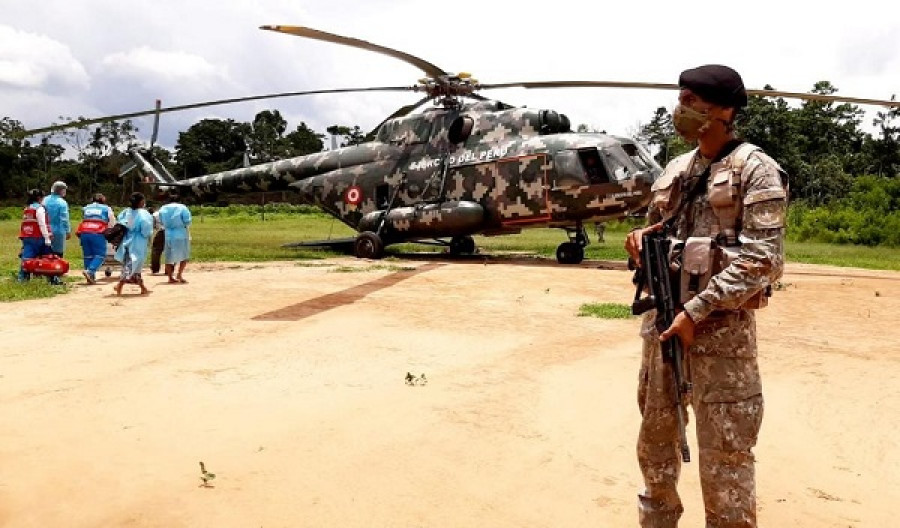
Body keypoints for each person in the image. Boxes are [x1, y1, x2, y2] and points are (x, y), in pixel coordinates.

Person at [624, 64, 787, 528]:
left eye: (692, 100)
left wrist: (697, 311)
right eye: (682, 98)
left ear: (724, 111)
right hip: (663, 332)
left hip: (720, 340)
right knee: (655, 450)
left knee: (726, 460)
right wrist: (641, 238)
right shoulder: (676, 170)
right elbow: (661, 231)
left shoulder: (756, 170)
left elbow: (763, 260)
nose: (682, 108)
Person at [114, 192, 153, 295]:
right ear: (141, 202)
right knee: (132, 264)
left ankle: (142, 287)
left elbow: (121, 221)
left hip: (127, 239)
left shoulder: (126, 212)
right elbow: (146, 229)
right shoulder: (143, 214)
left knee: (134, 264)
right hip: (138, 241)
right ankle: (120, 285)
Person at [76, 193, 116, 284]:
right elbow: (112, 222)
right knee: (100, 255)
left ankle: (91, 277)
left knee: (88, 255)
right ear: (103, 200)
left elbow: (84, 218)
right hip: (98, 232)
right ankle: (90, 271)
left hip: (84, 232)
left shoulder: (86, 208)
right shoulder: (107, 208)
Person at [17, 189, 53, 282]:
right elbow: (42, 224)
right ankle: (52, 279)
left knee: (26, 258)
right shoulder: (40, 208)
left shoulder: (27, 208)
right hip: (38, 237)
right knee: (48, 258)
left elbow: (24, 224)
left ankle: (22, 279)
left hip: (27, 236)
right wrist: (47, 238)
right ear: (39, 198)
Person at [157, 193, 192, 283]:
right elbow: (187, 221)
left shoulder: (163, 208)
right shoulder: (183, 207)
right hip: (180, 233)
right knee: (184, 255)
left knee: (169, 256)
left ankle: (170, 277)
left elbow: (160, 220)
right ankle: (179, 274)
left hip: (168, 234)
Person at [42, 180, 71, 257]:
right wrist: (68, 231)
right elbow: (64, 218)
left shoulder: (44, 200)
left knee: (45, 252)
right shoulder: (62, 202)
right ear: (62, 190)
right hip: (58, 230)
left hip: (45, 229)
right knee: (58, 253)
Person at [148, 206, 165, 274]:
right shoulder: (166, 213)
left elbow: (151, 227)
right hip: (171, 232)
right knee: (170, 251)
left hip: (161, 232)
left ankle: (155, 268)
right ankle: (169, 269)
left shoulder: (154, 215)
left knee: (156, 251)